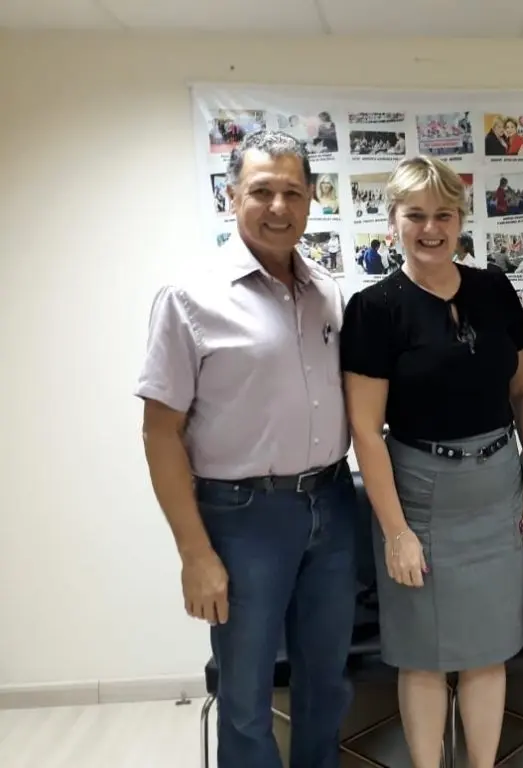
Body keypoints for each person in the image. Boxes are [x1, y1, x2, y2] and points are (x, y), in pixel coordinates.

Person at [135, 130, 358, 768]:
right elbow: (159, 434)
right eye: (262, 191)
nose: (279, 206)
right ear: (232, 195)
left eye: (293, 191)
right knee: (245, 696)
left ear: (312, 199)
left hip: (333, 506)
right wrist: (194, 553)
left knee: (326, 685)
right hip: (242, 519)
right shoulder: (189, 297)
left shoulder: (326, 291)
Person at [340, 155, 523, 768]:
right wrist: (397, 532)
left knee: (488, 649)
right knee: (424, 655)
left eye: (443, 215)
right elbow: (364, 429)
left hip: (496, 488)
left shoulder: (494, 290)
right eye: (415, 216)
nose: (430, 228)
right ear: (393, 222)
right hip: (418, 496)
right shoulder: (375, 310)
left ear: (460, 220)